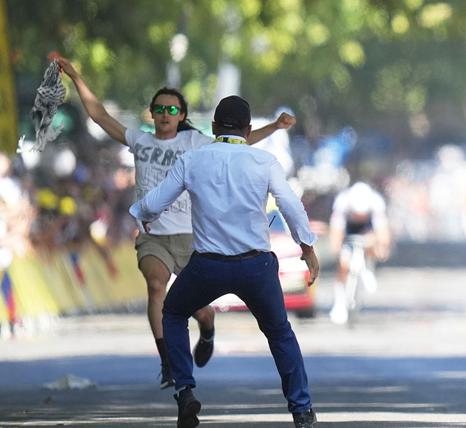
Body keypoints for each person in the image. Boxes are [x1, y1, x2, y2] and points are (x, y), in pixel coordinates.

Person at [57, 57, 295, 388]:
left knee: (195, 307)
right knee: (156, 286)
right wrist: (76, 77)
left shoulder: (194, 143)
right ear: (151, 114)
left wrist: (274, 128)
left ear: (181, 116)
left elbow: (237, 144)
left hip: (190, 236)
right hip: (154, 236)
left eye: (172, 110)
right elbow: (99, 116)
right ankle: (167, 359)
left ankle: (207, 323)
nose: (165, 115)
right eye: (159, 109)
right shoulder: (140, 141)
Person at [129, 96, 319, 428]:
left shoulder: (193, 159)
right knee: (280, 334)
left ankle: (185, 391)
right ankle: (301, 409)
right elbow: (290, 205)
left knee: (172, 314)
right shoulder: (264, 161)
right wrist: (308, 247)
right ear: (247, 130)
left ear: (214, 127)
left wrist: (143, 215)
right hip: (255, 267)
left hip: (207, 266)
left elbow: (156, 200)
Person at [327, 181, 391, 324]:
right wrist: (337, 249)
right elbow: (336, 232)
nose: (359, 216)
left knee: (372, 242)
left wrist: (382, 247)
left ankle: (367, 267)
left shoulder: (376, 203)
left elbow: (382, 232)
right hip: (348, 228)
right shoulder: (342, 203)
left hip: (368, 229)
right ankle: (339, 302)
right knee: (344, 264)